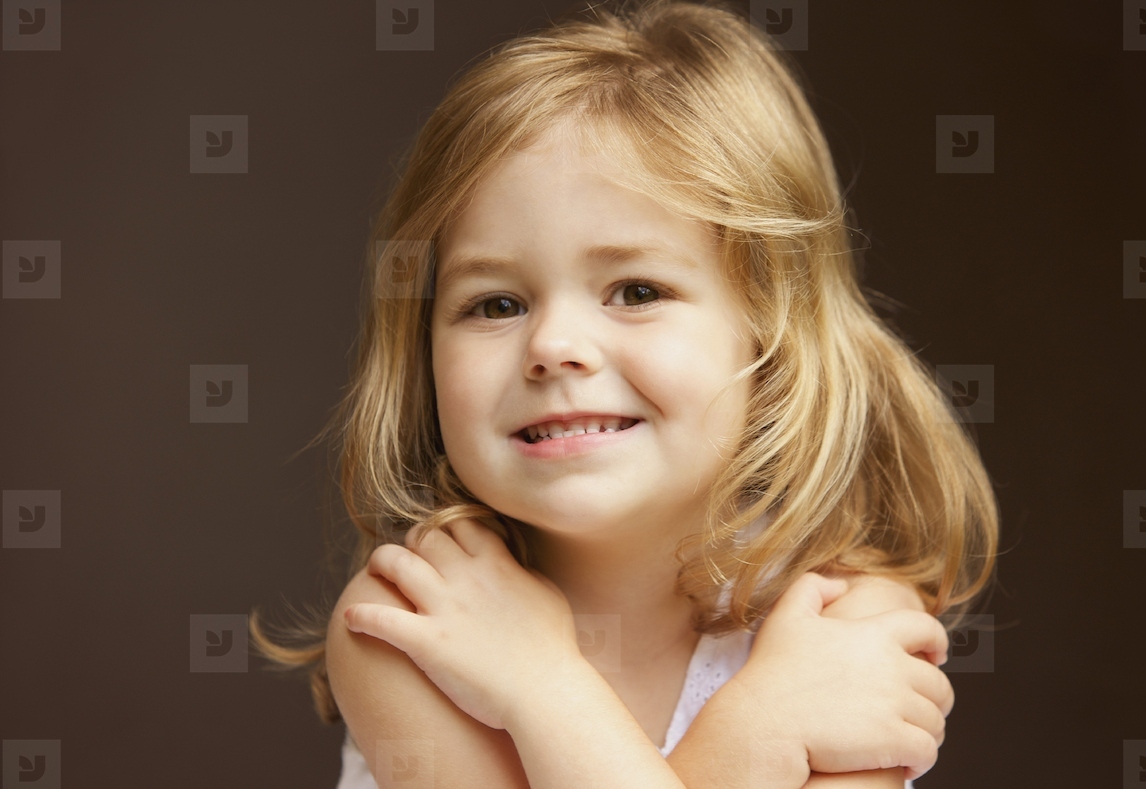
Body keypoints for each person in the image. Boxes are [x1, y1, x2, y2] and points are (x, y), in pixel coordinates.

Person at [250, 1, 999, 787]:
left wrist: (545, 692)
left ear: (771, 335)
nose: (553, 347)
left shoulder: (844, 621)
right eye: (496, 304)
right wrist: (727, 728)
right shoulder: (406, 623)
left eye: (636, 290)